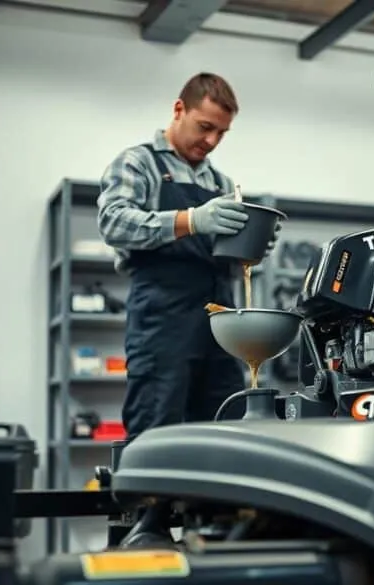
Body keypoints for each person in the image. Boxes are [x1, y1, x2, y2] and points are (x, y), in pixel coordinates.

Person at [96, 72, 277, 442]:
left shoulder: (221, 185)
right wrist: (191, 219)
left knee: (224, 424)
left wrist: (252, 244)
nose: (211, 141)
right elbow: (113, 222)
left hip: (220, 321)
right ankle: (150, 501)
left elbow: (224, 255)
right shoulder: (137, 163)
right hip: (162, 318)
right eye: (205, 127)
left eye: (221, 133)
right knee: (156, 427)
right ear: (179, 109)